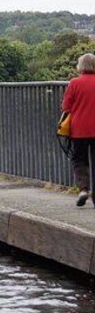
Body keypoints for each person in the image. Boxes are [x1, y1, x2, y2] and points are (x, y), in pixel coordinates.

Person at [61, 53, 95, 206]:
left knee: (79, 159)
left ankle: (83, 189)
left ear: (80, 66)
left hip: (79, 129)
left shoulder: (74, 83)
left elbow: (66, 107)